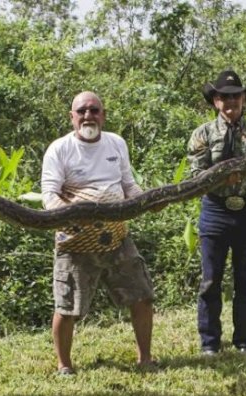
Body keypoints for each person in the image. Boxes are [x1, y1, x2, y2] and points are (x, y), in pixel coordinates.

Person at [41, 91, 156, 374]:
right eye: (81, 111)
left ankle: (145, 359)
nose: (88, 116)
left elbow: (128, 185)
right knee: (67, 306)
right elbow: (49, 195)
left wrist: (146, 201)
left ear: (103, 115)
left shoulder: (116, 143)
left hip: (117, 235)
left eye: (94, 110)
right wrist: (70, 215)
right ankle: (64, 365)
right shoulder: (59, 149)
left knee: (142, 295)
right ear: (72, 117)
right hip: (75, 240)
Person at [187, 70, 246, 355]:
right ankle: (210, 343)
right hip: (215, 210)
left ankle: (244, 341)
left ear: (244, 99)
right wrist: (218, 178)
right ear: (215, 100)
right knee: (210, 280)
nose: (231, 101)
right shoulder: (202, 134)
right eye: (225, 96)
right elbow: (195, 175)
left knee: (245, 279)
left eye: (236, 95)